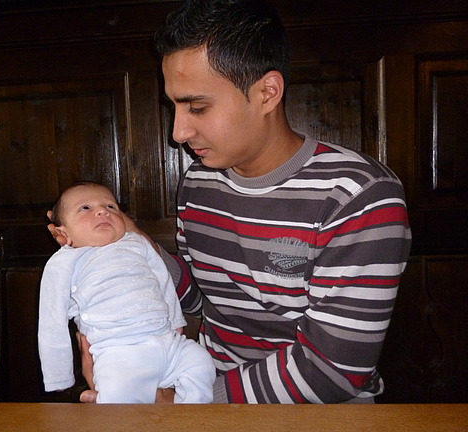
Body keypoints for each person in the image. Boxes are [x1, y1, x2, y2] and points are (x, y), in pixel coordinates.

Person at [51, 0, 412, 404]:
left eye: (197, 107)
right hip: (199, 386)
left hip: (314, 414)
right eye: (174, 106)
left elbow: (332, 371)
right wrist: (132, 244)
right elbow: (199, 298)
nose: (178, 132)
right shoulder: (199, 181)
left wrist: (181, 404)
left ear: (267, 93)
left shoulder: (359, 194)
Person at [38, 181, 215, 403]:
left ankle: (192, 412)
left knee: (200, 362)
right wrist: (59, 376)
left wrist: (175, 322)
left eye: (111, 207)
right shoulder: (64, 262)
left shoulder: (137, 243)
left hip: (167, 343)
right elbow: (51, 320)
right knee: (119, 399)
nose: (102, 211)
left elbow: (163, 280)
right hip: (118, 350)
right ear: (62, 233)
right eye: (85, 208)